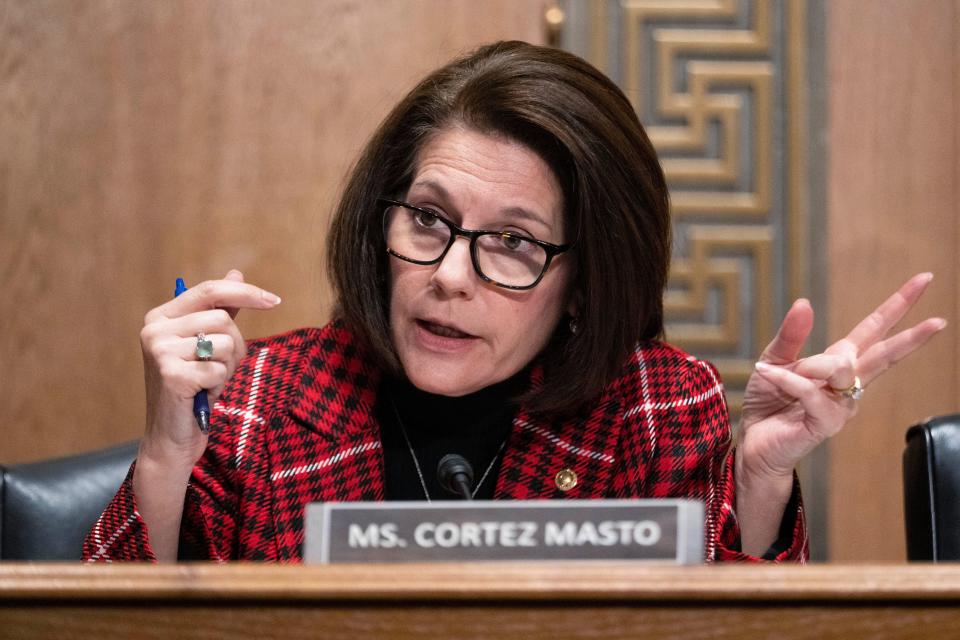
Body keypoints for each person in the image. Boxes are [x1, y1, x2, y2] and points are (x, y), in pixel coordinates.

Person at [82, 41, 944, 563]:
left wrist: (757, 479)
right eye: (428, 220)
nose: (450, 272)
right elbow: (122, 631)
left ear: (583, 284)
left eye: (514, 243)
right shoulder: (260, 400)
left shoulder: (653, 408)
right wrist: (165, 455)